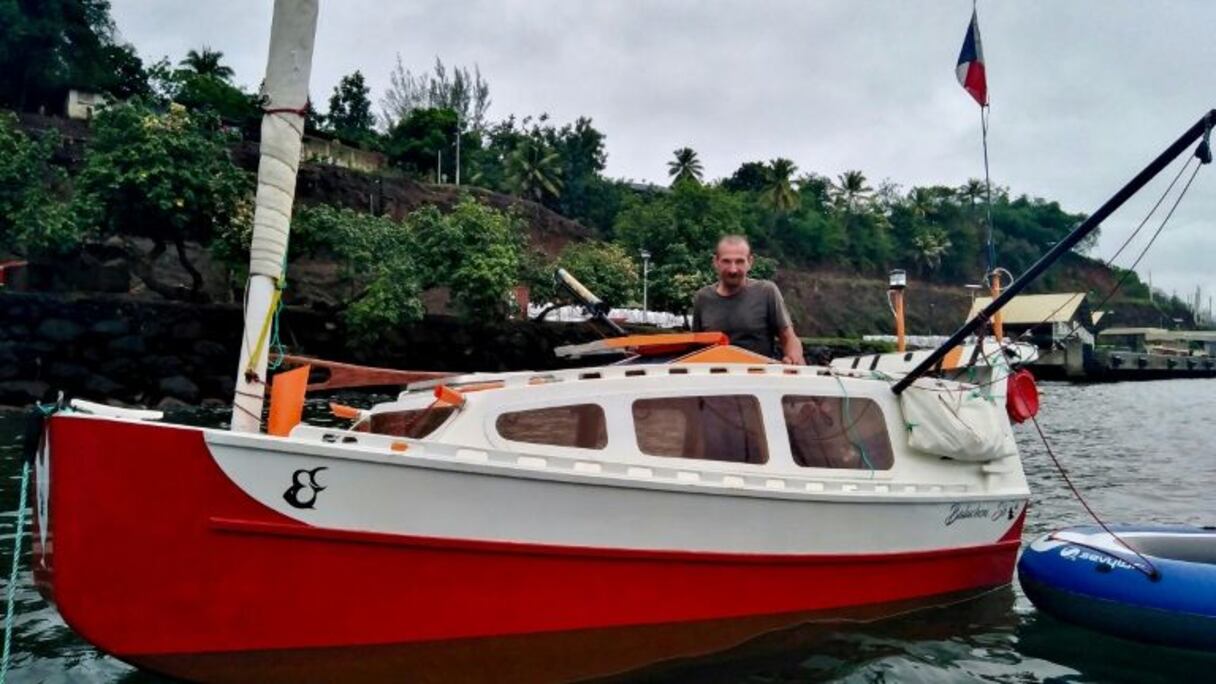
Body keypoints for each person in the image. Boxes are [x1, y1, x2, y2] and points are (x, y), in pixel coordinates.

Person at [692, 235, 805, 364]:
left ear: (750, 262)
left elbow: (789, 338)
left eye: (739, 261)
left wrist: (794, 357)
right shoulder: (702, 298)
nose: (733, 269)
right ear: (716, 262)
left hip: (758, 377)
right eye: (726, 261)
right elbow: (696, 347)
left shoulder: (766, 291)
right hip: (716, 378)